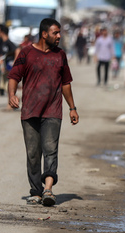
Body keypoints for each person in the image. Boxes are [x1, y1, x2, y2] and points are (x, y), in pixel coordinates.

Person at [8, 18, 79, 206]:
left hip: (52, 111)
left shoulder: (60, 55)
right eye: (55, 33)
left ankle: (48, 189)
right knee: (33, 153)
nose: (59, 36)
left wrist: (72, 107)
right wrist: (12, 94)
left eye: (59, 33)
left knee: (50, 150)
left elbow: (66, 83)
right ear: (44, 34)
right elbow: (14, 76)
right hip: (30, 111)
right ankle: (36, 191)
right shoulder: (26, 53)